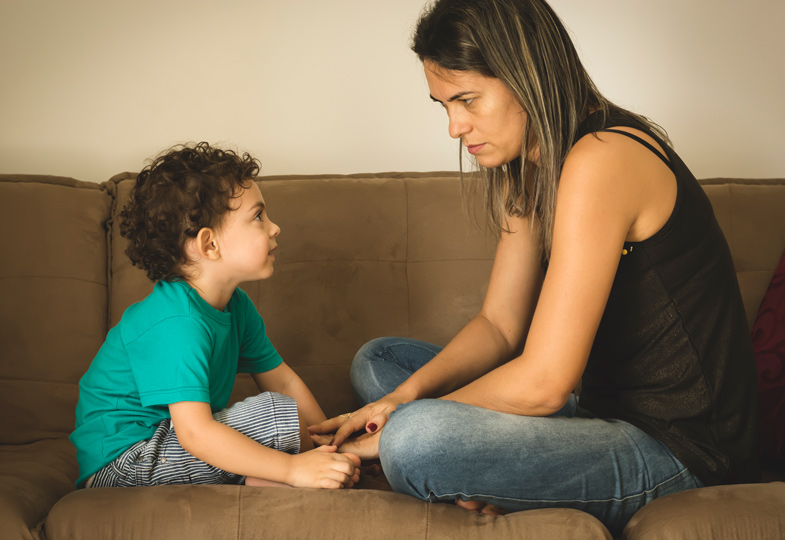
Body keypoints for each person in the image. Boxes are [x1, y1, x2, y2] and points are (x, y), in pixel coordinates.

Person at [309, 0, 759, 534]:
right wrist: (398, 399)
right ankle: (504, 474)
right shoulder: (528, 167)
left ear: (526, 77)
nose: (455, 126)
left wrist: (395, 426)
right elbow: (499, 326)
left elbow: (545, 383)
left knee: (416, 437)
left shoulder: (603, 158)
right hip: (594, 412)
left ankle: (469, 468)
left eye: (468, 100)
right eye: (443, 105)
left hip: (682, 449)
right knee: (380, 362)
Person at [70, 142, 360, 490]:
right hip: (126, 463)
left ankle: (260, 478)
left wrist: (330, 448)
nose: (274, 227)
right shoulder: (176, 323)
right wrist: (293, 469)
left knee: (286, 412)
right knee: (273, 413)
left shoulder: (236, 306)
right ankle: (275, 476)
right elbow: (195, 432)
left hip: (174, 443)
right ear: (209, 245)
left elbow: (284, 381)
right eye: (258, 216)